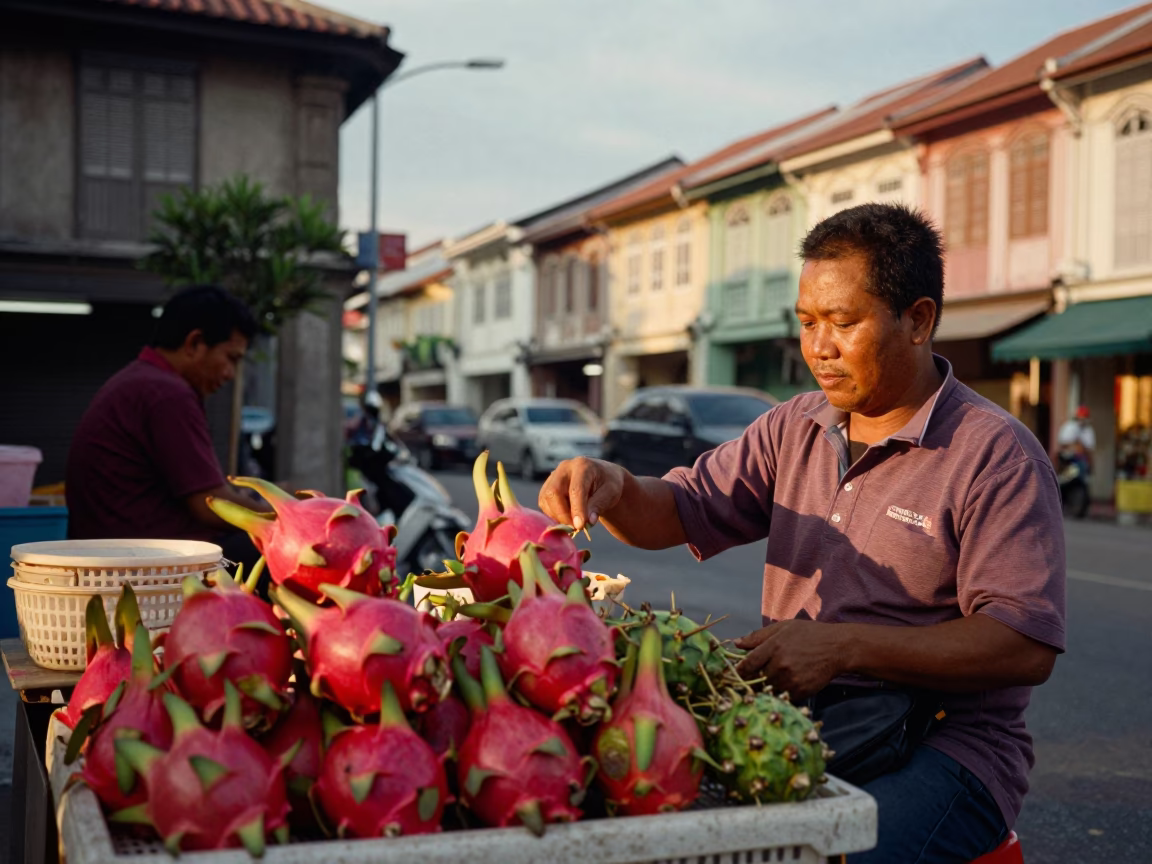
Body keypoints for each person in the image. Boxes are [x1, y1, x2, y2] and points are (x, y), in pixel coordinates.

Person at [540, 203, 1066, 863]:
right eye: (808, 323)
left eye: (843, 323)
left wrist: (842, 648)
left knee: (824, 855)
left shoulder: (994, 454)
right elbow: (678, 508)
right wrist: (614, 484)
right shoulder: (794, 427)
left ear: (919, 320)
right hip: (804, 725)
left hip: (948, 749)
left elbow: (1023, 646)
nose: (819, 346)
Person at [66, 284, 269, 571]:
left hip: (128, 551)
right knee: (282, 551)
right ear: (194, 343)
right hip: (147, 561)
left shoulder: (143, 382)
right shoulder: (166, 393)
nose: (230, 374)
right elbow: (210, 503)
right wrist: (290, 517)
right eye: (230, 358)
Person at [1057, 404, 1096, 476]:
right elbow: (1063, 445)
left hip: (1081, 463)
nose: (1082, 419)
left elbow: (1089, 451)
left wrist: (1091, 465)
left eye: (1084, 417)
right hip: (1068, 462)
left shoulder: (1088, 430)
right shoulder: (1069, 426)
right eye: (1081, 416)